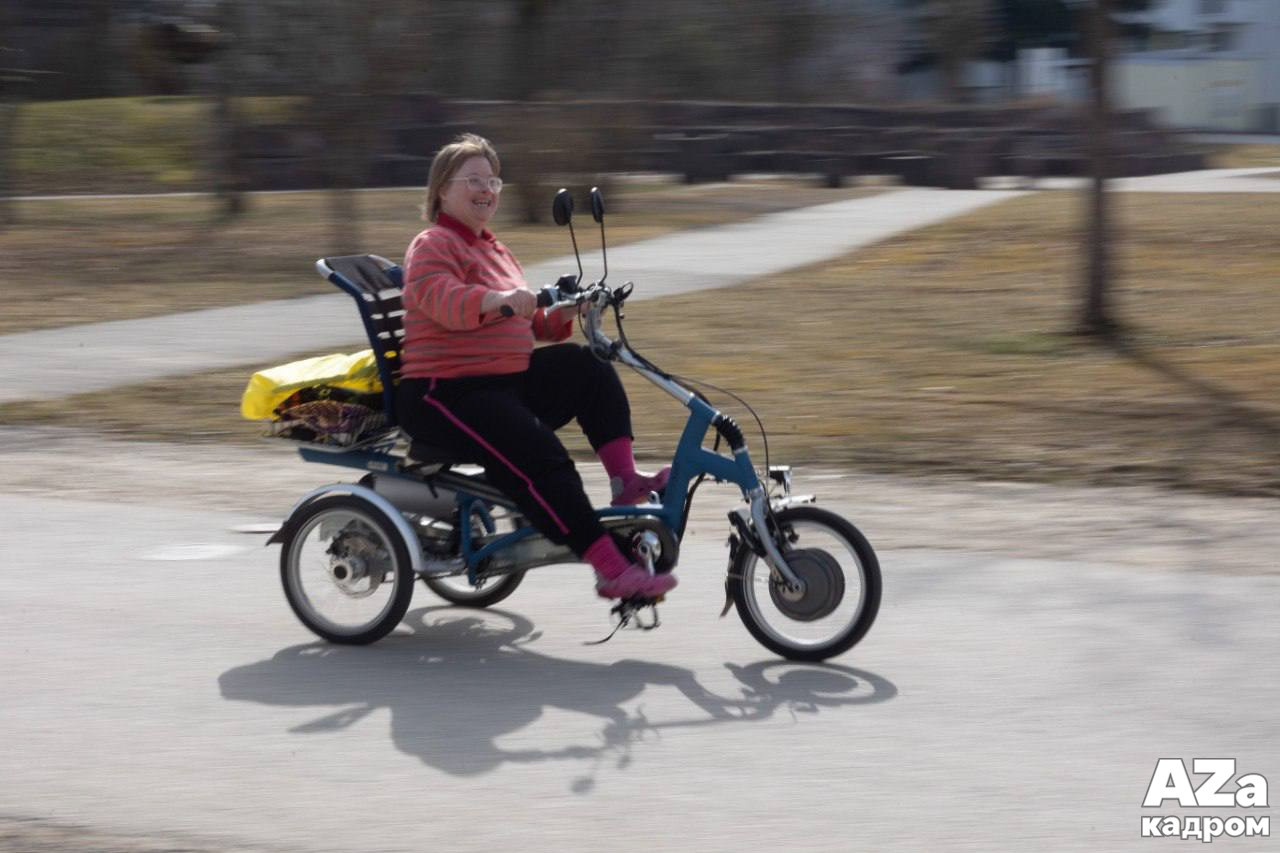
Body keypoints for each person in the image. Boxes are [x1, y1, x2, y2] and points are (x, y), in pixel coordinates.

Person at [396, 133, 677, 601]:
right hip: (444, 393)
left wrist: (565, 311)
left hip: (504, 383)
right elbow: (444, 301)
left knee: (587, 365)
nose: (487, 189)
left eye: (493, 180)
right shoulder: (432, 244)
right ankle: (610, 567)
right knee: (539, 454)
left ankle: (626, 483)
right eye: (473, 180)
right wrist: (498, 298)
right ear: (442, 188)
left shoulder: (494, 248)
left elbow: (530, 322)